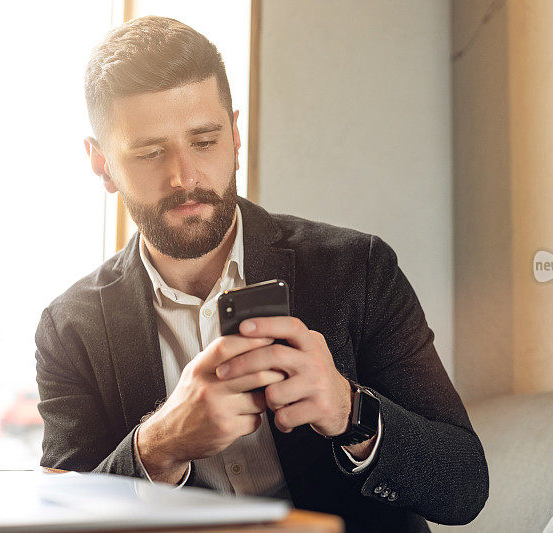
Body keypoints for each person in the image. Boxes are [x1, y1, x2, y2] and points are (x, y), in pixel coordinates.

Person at [35, 15, 488, 532]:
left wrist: (349, 410)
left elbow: (465, 487)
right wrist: (159, 445)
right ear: (102, 163)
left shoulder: (357, 268)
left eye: (204, 141)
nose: (185, 176)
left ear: (235, 134)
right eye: (150, 153)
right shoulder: (69, 328)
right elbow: (59, 521)